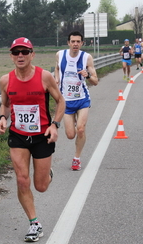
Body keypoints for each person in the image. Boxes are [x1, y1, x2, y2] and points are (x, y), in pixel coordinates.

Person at [0, 37, 65, 242]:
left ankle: (46, 174)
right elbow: (5, 104)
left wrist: (55, 124)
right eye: (16, 52)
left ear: (32, 54)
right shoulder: (5, 80)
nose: (20, 56)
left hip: (42, 136)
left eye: (24, 52)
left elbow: (60, 101)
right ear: (11, 56)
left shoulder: (44, 77)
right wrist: (2, 118)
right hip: (18, 135)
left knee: (41, 186)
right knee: (21, 179)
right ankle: (34, 223)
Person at [55, 31, 98, 171]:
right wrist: (56, 79)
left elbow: (95, 81)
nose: (75, 44)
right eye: (73, 41)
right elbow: (57, 68)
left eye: (78, 41)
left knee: (80, 129)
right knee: (70, 135)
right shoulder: (60, 55)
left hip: (82, 99)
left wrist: (88, 75)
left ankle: (76, 159)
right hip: (66, 101)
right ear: (68, 43)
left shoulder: (87, 58)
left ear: (82, 43)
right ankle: (74, 121)